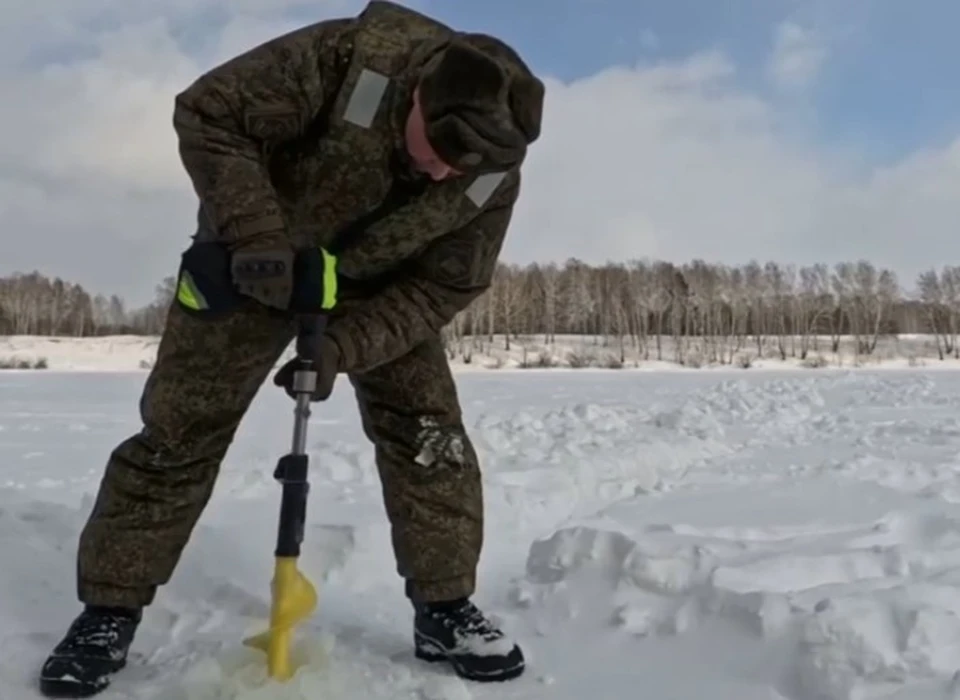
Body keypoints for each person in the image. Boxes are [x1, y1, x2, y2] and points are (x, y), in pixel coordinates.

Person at [36, 1, 544, 696]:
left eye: (463, 170)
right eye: (438, 153)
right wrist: (256, 240)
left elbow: (442, 287)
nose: (441, 177)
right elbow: (210, 112)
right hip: (252, 262)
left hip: (376, 287)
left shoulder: (490, 173)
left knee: (430, 434)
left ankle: (445, 607)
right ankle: (108, 611)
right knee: (179, 433)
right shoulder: (346, 58)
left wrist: (344, 346)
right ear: (419, 98)